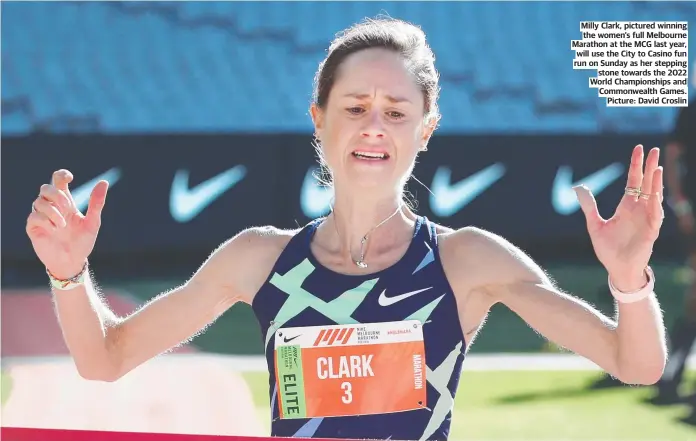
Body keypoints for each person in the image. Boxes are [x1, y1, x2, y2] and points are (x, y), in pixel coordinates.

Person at [26, 17, 668, 441]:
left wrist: (629, 279)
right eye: (355, 106)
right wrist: (67, 272)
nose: (374, 126)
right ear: (319, 118)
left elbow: (635, 364)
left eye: (396, 112)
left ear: (425, 130)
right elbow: (103, 359)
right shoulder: (257, 258)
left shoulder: (468, 261)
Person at [646, 68, 696, 410]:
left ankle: (672, 375)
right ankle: (671, 374)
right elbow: (674, 154)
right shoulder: (690, 110)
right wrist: (680, 204)